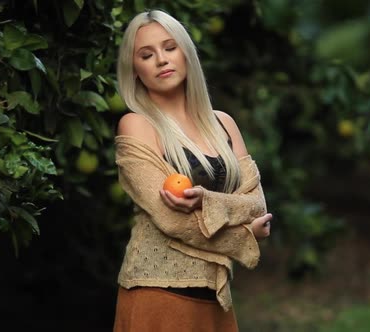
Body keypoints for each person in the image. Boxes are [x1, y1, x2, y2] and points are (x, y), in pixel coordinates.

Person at [112, 9, 273, 332]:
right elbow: (172, 219)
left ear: (186, 53)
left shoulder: (223, 124)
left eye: (169, 47)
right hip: (157, 294)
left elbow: (257, 205)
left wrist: (206, 201)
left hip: (215, 297)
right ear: (135, 69)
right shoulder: (136, 125)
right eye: (147, 54)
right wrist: (244, 237)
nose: (161, 59)